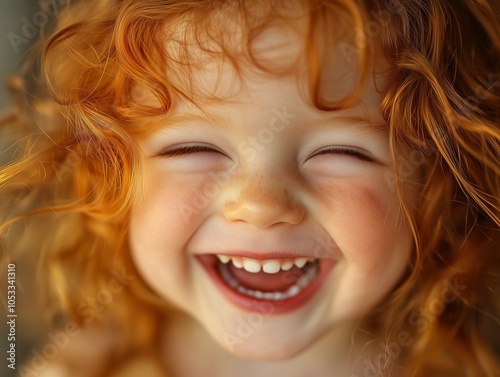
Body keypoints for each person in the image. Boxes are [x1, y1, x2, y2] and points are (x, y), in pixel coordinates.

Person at [1, 0, 499, 376]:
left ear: (437, 186)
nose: (260, 206)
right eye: (191, 149)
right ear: (112, 175)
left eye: (340, 153)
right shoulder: (85, 365)